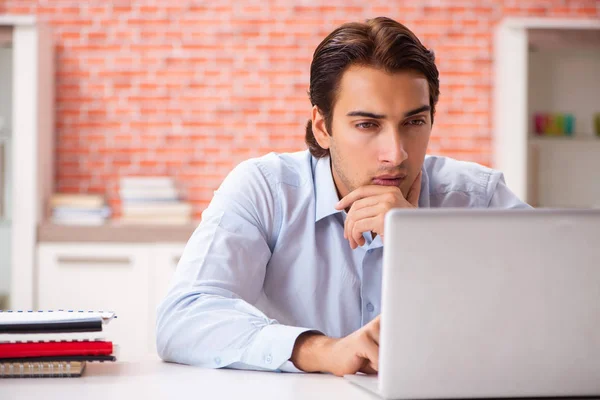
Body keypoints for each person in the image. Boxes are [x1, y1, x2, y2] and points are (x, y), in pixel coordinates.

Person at [156, 16, 529, 377]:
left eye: (414, 122)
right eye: (367, 124)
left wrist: (423, 243)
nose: (395, 153)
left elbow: (569, 304)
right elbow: (185, 317)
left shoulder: (476, 197)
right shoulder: (266, 190)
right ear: (322, 127)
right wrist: (324, 350)